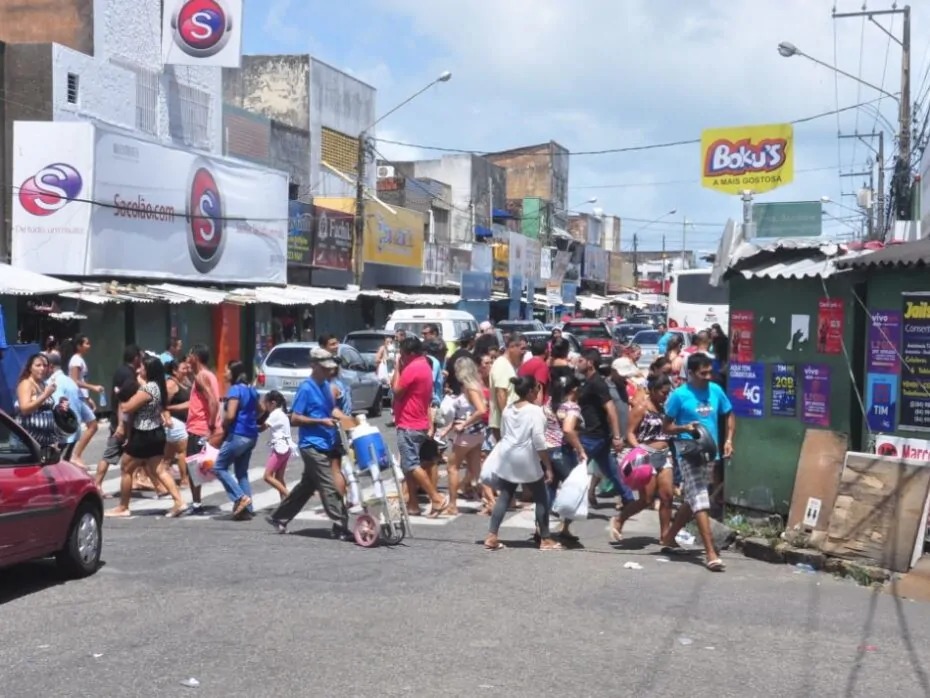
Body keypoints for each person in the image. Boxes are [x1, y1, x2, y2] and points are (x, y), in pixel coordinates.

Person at [661, 353, 736, 572]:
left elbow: (729, 413)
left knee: (693, 497)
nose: (707, 376)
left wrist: (729, 440)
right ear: (691, 373)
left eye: (709, 372)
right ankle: (710, 552)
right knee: (701, 499)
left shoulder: (716, 390)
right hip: (688, 451)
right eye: (702, 373)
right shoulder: (679, 395)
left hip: (709, 452)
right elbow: (666, 427)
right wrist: (685, 428)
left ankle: (669, 537)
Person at [267, 348, 349, 538]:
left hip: (325, 443)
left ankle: (279, 517)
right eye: (325, 368)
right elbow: (294, 418)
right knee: (329, 485)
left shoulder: (326, 387)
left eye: (330, 369)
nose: (329, 372)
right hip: (311, 445)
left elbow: (331, 411)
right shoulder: (306, 388)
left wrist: (348, 420)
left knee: (306, 487)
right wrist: (320, 422)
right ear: (314, 366)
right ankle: (341, 524)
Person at [482, 376, 562, 552]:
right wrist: (547, 465)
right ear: (531, 391)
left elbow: (504, 433)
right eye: (537, 389)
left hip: (508, 455)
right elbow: (539, 440)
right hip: (526, 457)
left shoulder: (508, 410)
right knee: (541, 497)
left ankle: (492, 535)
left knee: (505, 495)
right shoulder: (535, 411)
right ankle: (546, 538)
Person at [107, 356, 185, 518]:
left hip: (143, 434)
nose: (139, 370)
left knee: (126, 468)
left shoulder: (148, 389)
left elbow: (128, 407)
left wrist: (120, 397)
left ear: (149, 370)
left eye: (142, 367)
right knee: (159, 469)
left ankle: (123, 506)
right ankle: (179, 501)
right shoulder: (158, 386)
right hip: (156, 432)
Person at [576, 348, 634, 540]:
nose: (578, 362)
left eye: (581, 360)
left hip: (593, 436)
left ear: (590, 363)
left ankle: (567, 506)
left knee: (575, 470)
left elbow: (611, 411)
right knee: (611, 471)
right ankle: (628, 499)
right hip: (597, 436)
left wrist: (617, 436)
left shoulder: (597, 384)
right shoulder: (589, 381)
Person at [391, 337, 450, 518]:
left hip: (409, 423)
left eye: (402, 353)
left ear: (409, 353)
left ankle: (436, 498)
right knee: (408, 466)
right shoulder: (425, 365)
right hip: (418, 422)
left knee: (411, 464)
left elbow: (396, 391)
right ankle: (413, 505)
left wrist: (397, 368)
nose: (400, 356)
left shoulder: (412, 368)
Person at [615, 374, 676, 540]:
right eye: (663, 392)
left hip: (664, 456)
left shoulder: (666, 409)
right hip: (646, 456)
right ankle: (620, 519)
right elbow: (630, 433)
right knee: (646, 499)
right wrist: (639, 450)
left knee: (667, 496)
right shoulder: (642, 408)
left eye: (668, 392)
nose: (666, 396)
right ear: (653, 391)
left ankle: (665, 536)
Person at [212, 361, 262, 519]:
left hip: (238, 435)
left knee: (219, 467)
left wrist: (223, 423)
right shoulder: (251, 390)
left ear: (233, 373)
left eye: (226, 371)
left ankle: (240, 498)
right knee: (241, 473)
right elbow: (261, 410)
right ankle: (248, 509)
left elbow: (231, 415)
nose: (224, 374)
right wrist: (250, 419)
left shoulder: (234, 390)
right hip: (251, 435)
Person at [95, 345, 142, 495]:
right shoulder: (128, 374)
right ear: (136, 358)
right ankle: (96, 484)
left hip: (121, 419)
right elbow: (123, 403)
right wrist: (121, 425)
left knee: (138, 454)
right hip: (122, 420)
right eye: (140, 357)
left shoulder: (122, 371)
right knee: (110, 453)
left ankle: (138, 480)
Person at [444, 356, 488, 514]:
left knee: (452, 466)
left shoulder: (470, 388)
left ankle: (452, 504)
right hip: (477, 433)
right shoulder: (476, 385)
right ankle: (489, 501)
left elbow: (481, 410)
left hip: (467, 434)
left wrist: (464, 424)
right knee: (477, 470)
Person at [184, 344, 222, 515]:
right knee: (199, 468)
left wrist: (211, 425)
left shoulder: (201, 377)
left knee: (194, 468)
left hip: (199, 428)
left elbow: (213, 402)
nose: (187, 357)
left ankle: (197, 504)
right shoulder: (206, 375)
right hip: (200, 427)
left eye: (190, 355)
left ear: (196, 357)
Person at [47, 352, 95, 461]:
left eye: (43, 365)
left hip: (61, 437)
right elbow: (91, 421)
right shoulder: (70, 382)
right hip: (72, 432)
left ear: (50, 366)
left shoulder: (54, 383)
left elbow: (57, 409)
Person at [67, 334, 103, 465]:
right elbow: (75, 381)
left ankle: (74, 455)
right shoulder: (76, 360)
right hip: (76, 397)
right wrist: (93, 387)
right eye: (86, 343)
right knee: (91, 426)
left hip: (81, 397)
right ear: (79, 346)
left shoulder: (79, 360)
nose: (89, 346)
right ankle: (74, 456)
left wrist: (87, 397)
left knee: (91, 426)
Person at [15, 353, 59, 448]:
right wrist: (45, 395)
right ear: (30, 368)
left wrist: (61, 407)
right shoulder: (26, 384)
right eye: (38, 365)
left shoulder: (43, 384)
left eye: (44, 366)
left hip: (45, 441)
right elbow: (25, 409)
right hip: (29, 442)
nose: (42, 368)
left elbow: (47, 409)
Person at [489, 333, 526, 441]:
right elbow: (501, 393)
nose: (524, 352)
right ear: (512, 347)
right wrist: (507, 421)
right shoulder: (502, 365)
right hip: (504, 424)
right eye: (522, 348)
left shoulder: (509, 365)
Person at [261, 391, 294, 501]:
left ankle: (290, 498)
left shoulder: (275, 414)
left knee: (267, 476)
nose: (265, 406)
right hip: (286, 449)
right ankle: (284, 503)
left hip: (279, 450)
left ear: (273, 403)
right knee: (279, 478)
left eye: (266, 403)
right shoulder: (282, 414)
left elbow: (263, 428)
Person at [445, 330, 477, 396]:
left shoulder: (454, 355)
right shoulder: (470, 357)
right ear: (471, 341)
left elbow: (448, 373)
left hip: (453, 392)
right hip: (467, 393)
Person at [518, 339, 550, 403]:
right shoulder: (541, 365)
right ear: (546, 351)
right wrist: (537, 409)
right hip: (536, 407)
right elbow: (538, 388)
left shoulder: (524, 364)